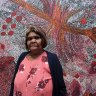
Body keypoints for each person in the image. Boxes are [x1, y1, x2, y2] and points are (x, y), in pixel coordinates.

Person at [9, 25, 67, 96]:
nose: (33, 41)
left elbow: (60, 87)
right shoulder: (22, 57)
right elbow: (13, 82)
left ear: (42, 40)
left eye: (37, 38)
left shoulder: (52, 58)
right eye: (29, 39)